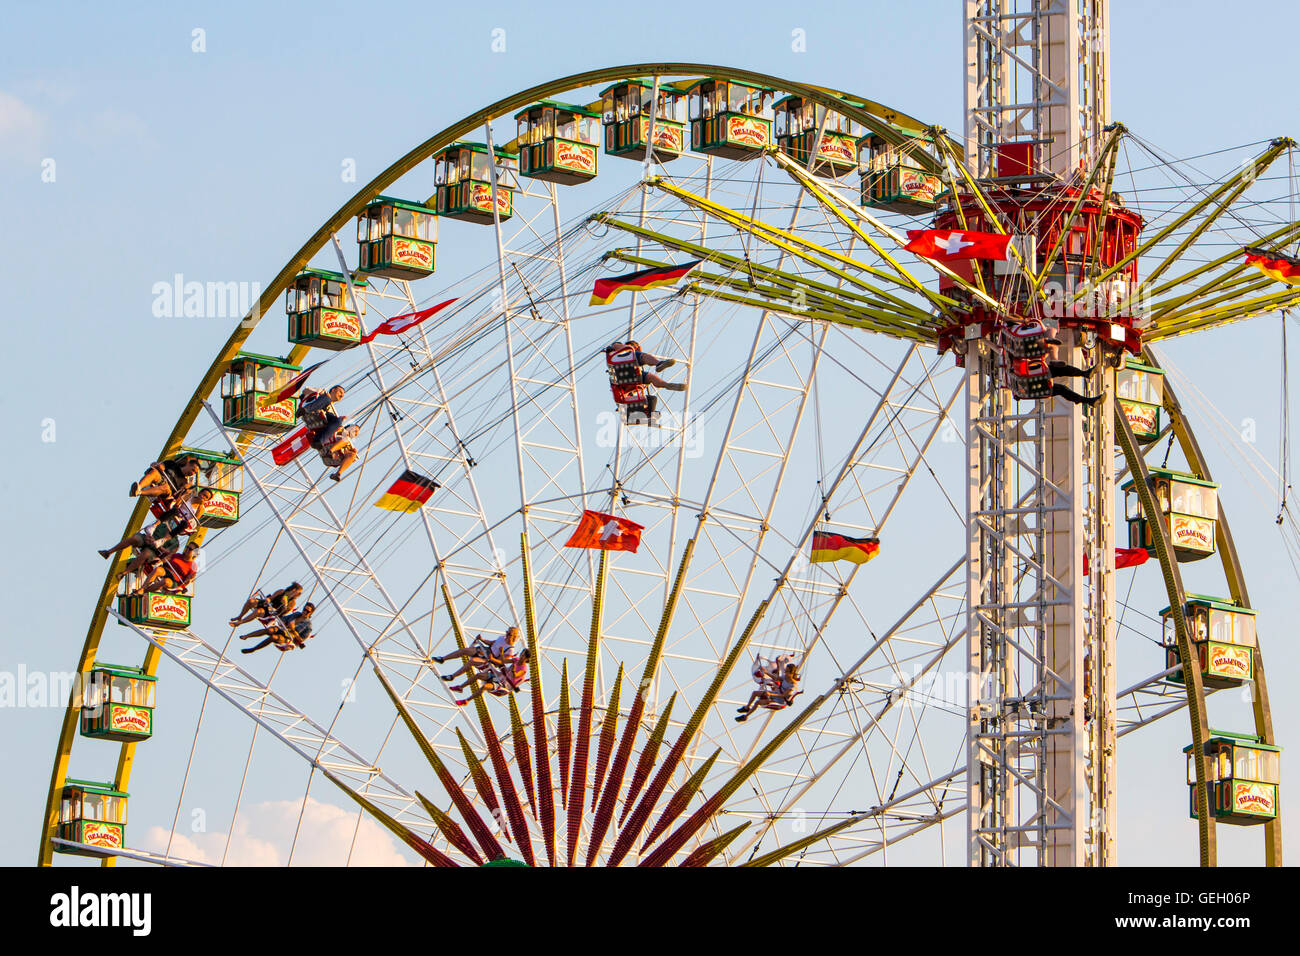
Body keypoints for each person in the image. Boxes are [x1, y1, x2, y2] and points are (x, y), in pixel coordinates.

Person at [451, 648, 531, 706]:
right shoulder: (516, 660)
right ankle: (460, 687)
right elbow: (503, 661)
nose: (521, 656)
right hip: (500, 677)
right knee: (479, 675)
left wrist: (513, 669)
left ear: (526, 659)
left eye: (523, 655)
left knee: (485, 686)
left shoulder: (524, 669)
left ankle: (467, 700)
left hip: (504, 685)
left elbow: (516, 675)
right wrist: (501, 653)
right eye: (521, 654)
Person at [1044, 338, 1101, 407]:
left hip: (1035, 375)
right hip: (1033, 384)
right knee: (1061, 388)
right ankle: (1087, 400)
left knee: (1058, 370)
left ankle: (1085, 374)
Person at [736, 661, 801, 722]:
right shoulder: (785, 677)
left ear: (792, 673)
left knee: (757, 702)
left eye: (787, 672)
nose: (785, 673)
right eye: (785, 671)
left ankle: (745, 716)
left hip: (780, 700)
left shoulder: (793, 685)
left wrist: (770, 694)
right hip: (776, 693)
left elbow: (783, 695)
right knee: (755, 693)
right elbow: (776, 678)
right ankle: (746, 707)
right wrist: (766, 672)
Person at [240, 603, 315, 654]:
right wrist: (275, 619)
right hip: (282, 628)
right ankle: (247, 636)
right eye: (304, 609)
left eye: (307, 611)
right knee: (270, 630)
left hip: (289, 636)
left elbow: (301, 640)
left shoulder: (308, 625)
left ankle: (253, 649)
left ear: (311, 613)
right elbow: (284, 618)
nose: (305, 612)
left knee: (274, 637)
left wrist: (293, 629)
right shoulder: (297, 614)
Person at [433, 626, 521, 669]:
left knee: (472, 661)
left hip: (489, 659)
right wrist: (482, 639)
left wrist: (492, 659)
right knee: (464, 650)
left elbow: (502, 662)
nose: (506, 634)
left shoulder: (510, 649)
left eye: (508, 633)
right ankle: (443, 659)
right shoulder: (502, 638)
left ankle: (453, 676)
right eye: (507, 632)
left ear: (513, 637)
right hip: (485, 650)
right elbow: (491, 643)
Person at [135, 541, 200, 595]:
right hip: (167, 571)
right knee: (158, 570)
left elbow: (188, 579)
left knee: (165, 581)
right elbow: (166, 560)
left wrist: (183, 585)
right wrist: (160, 561)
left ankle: (145, 591)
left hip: (175, 581)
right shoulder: (177, 555)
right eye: (187, 547)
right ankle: (143, 588)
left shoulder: (193, 566)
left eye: (190, 549)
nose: (187, 549)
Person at [230, 582, 304, 627]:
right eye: (294, 589)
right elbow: (271, 598)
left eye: (296, 592)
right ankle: (240, 616)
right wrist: (267, 600)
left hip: (272, 611)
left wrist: (285, 605)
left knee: (258, 612)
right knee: (251, 601)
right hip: (268, 603)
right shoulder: (281, 591)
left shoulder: (292, 602)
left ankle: (240, 622)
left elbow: (283, 613)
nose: (293, 592)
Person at [130, 455, 200, 500]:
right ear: (188, 464)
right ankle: (138, 488)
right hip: (162, 478)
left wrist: (185, 489)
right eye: (192, 470)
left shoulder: (184, 482)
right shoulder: (172, 464)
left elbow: (177, 497)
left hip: (168, 489)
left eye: (194, 473)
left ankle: (140, 492)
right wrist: (159, 466)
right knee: (154, 472)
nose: (192, 473)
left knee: (165, 487)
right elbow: (161, 465)